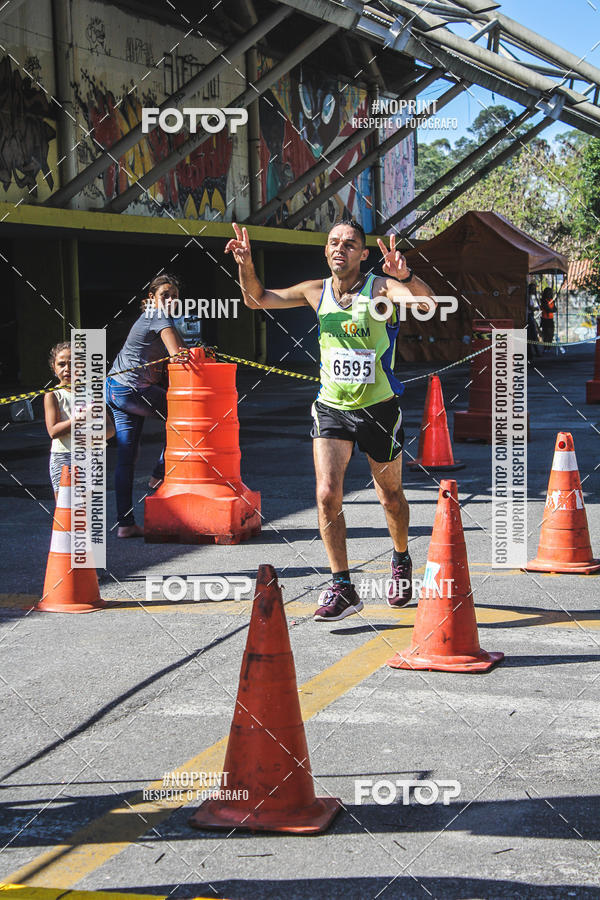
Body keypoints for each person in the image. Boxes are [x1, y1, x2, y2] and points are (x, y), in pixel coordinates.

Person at [225, 219, 435, 622]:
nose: (341, 248)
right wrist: (245, 263)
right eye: (334, 243)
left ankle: (402, 559)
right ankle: (342, 585)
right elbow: (256, 299)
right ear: (326, 251)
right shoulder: (314, 291)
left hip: (379, 409)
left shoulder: (379, 289)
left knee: (390, 496)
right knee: (326, 494)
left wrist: (405, 275)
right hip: (331, 408)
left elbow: (426, 304)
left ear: (363, 254)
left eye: (350, 244)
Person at [105, 274, 188, 538]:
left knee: (127, 457)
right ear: (151, 298)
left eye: (175, 295)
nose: (171, 299)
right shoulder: (158, 314)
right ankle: (158, 472)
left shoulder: (159, 316)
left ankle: (125, 524)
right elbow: (178, 354)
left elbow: (178, 348)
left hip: (115, 389)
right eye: (166, 294)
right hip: (130, 389)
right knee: (183, 415)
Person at [45, 342, 115, 499]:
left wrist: (94, 437)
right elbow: (53, 431)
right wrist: (81, 418)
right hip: (64, 456)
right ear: (54, 368)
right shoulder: (53, 395)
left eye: (74, 363)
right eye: (61, 364)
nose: (67, 369)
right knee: (65, 507)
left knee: (85, 506)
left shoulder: (92, 394)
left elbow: (110, 429)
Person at [526, 283, 542, 361]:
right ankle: (533, 351)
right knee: (532, 335)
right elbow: (530, 307)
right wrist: (535, 308)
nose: (533, 290)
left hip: (531, 316)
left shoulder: (532, 297)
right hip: (528, 316)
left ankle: (535, 351)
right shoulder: (527, 297)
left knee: (533, 334)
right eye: (532, 289)